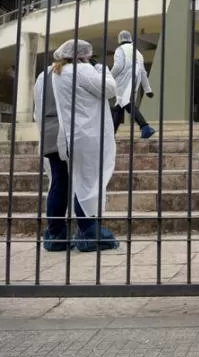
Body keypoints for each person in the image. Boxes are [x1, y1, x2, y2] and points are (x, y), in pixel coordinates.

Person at [47, 39, 120, 252]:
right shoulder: (82, 69)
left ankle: (70, 231)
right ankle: (88, 231)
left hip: (70, 134)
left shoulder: (57, 72)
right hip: (87, 134)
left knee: (76, 181)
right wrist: (103, 70)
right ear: (81, 55)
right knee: (88, 182)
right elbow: (109, 89)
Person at [33, 57, 69, 251]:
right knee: (77, 181)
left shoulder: (43, 75)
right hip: (70, 131)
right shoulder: (74, 73)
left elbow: (38, 108)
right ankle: (79, 229)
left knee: (58, 181)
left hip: (49, 131)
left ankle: (55, 230)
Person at [111, 30, 155, 139]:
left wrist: (108, 77)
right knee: (119, 106)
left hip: (123, 80)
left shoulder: (120, 50)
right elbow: (143, 72)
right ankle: (111, 134)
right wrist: (147, 89)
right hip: (135, 80)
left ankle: (145, 126)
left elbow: (118, 66)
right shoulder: (138, 53)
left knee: (125, 102)